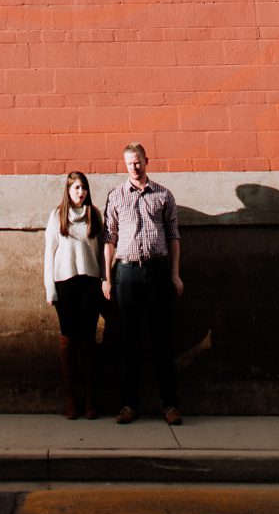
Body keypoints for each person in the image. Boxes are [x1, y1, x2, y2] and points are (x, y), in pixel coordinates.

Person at [102, 141, 183, 425]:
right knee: (128, 341)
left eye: (137, 162)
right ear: (124, 165)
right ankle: (128, 405)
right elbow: (109, 239)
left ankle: (170, 405)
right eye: (129, 164)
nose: (134, 168)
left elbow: (174, 236)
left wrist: (175, 273)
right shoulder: (115, 197)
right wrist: (107, 278)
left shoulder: (164, 196)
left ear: (146, 160)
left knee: (163, 339)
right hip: (126, 274)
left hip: (158, 272)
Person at [44, 171, 104, 419]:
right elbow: (50, 252)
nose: (81, 192)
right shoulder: (57, 215)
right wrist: (50, 288)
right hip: (65, 283)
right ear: (68, 190)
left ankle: (90, 398)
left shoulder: (94, 214)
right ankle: (71, 397)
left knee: (88, 339)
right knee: (69, 339)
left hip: (89, 282)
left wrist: (103, 281)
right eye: (76, 188)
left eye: (84, 188)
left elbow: (100, 251)